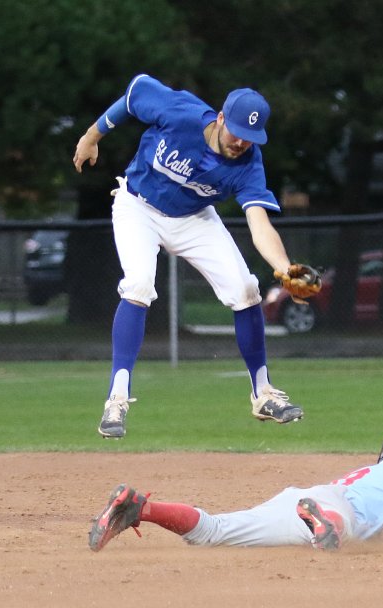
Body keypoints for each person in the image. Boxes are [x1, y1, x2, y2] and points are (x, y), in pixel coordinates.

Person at [73, 73, 306, 439]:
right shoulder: (180, 113)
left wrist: (284, 268)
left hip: (193, 218)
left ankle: (263, 394)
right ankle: (116, 400)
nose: (241, 142)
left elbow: (259, 223)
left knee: (245, 289)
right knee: (138, 284)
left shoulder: (248, 162)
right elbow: (135, 91)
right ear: (221, 118)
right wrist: (92, 136)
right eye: (236, 132)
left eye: (251, 137)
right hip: (138, 206)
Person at [88, 427, 383, 551]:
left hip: (300, 499)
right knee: (347, 528)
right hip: (333, 510)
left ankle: (141, 507)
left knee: (212, 532)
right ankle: (326, 522)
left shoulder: (373, 474)